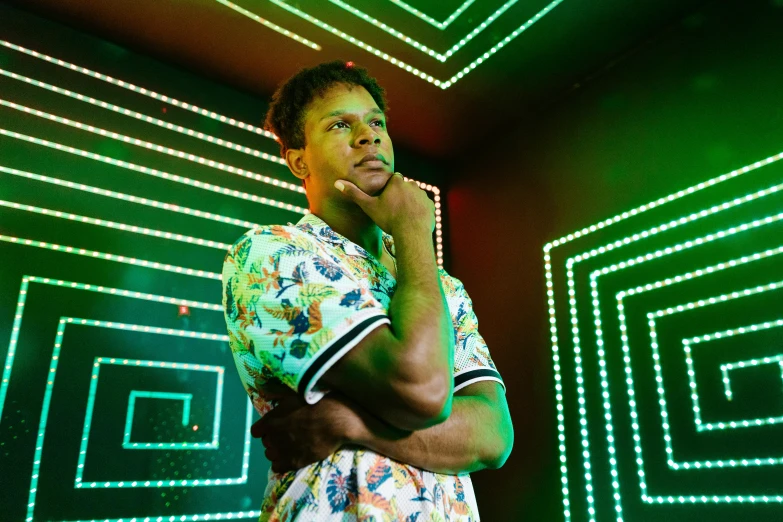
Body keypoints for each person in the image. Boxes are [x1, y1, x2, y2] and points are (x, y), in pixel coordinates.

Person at [222, 60, 513, 521]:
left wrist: (349, 422)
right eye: (341, 124)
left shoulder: (442, 286)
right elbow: (420, 389)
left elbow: (493, 436)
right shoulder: (272, 254)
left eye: (376, 122)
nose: (368, 136)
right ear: (299, 159)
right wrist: (417, 231)